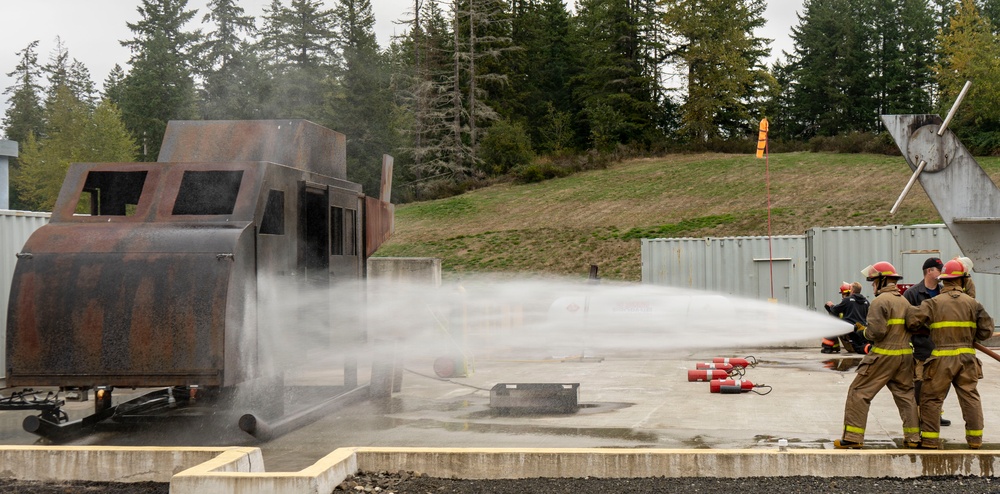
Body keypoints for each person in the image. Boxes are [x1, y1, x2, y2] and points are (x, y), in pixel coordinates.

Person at [908, 259, 994, 449]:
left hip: (941, 359)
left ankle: (930, 440)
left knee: (931, 398)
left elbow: (912, 321)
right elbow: (986, 331)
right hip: (967, 358)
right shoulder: (973, 303)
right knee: (970, 398)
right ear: (962, 280)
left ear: (944, 280)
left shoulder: (932, 303)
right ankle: (975, 440)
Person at [834, 261, 920, 449]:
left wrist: (862, 332)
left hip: (883, 356)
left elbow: (877, 333)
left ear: (882, 281)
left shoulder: (880, 301)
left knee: (858, 392)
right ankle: (913, 438)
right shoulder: (903, 300)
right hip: (904, 357)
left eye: (873, 282)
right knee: (906, 396)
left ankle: (853, 437)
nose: (872, 286)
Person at [903, 257, 951, 427]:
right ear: (929, 271)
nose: (942, 272)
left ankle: (935, 414)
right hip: (921, 346)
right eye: (939, 269)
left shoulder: (944, 292)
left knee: (943, 381)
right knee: (920, 382)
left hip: (942, 345)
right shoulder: (912, 293)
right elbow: (906, 320)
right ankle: (918, 415)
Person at [824, 282, 870, 354]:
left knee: (831, 323)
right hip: (862, 335)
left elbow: (834, 310)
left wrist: (831, 305)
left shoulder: (847, 301)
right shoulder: (866, 302)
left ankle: (828, 348)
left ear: (852, 290)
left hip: (850, 335)